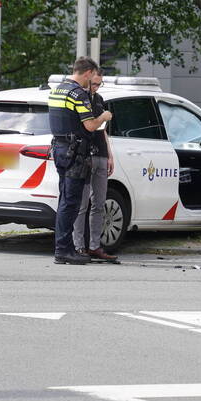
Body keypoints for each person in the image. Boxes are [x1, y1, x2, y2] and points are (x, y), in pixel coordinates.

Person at [49, 57, 112, 265]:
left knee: (64, 200)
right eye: (91, 77)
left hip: (59, 149)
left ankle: (62, 247)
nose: (91, 81)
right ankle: (64, 250)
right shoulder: (78, 94)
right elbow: (90, 126)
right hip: (74, 153)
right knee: (72, 203)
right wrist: (103, 117)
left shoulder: (57, 90)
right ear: (87, 73)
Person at [73, 70, 119, 263]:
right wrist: (104, 117)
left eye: (99, 84)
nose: (96, 88)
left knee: (99, 203)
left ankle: (95, 246)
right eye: (94, 84)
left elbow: (102, 131)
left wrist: (109, 154)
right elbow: (90, 125)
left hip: (100, 153)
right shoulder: (79, 98)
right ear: (87, 79)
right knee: (82, 204)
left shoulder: (99, 99)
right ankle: (78, 246)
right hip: (84, 155)